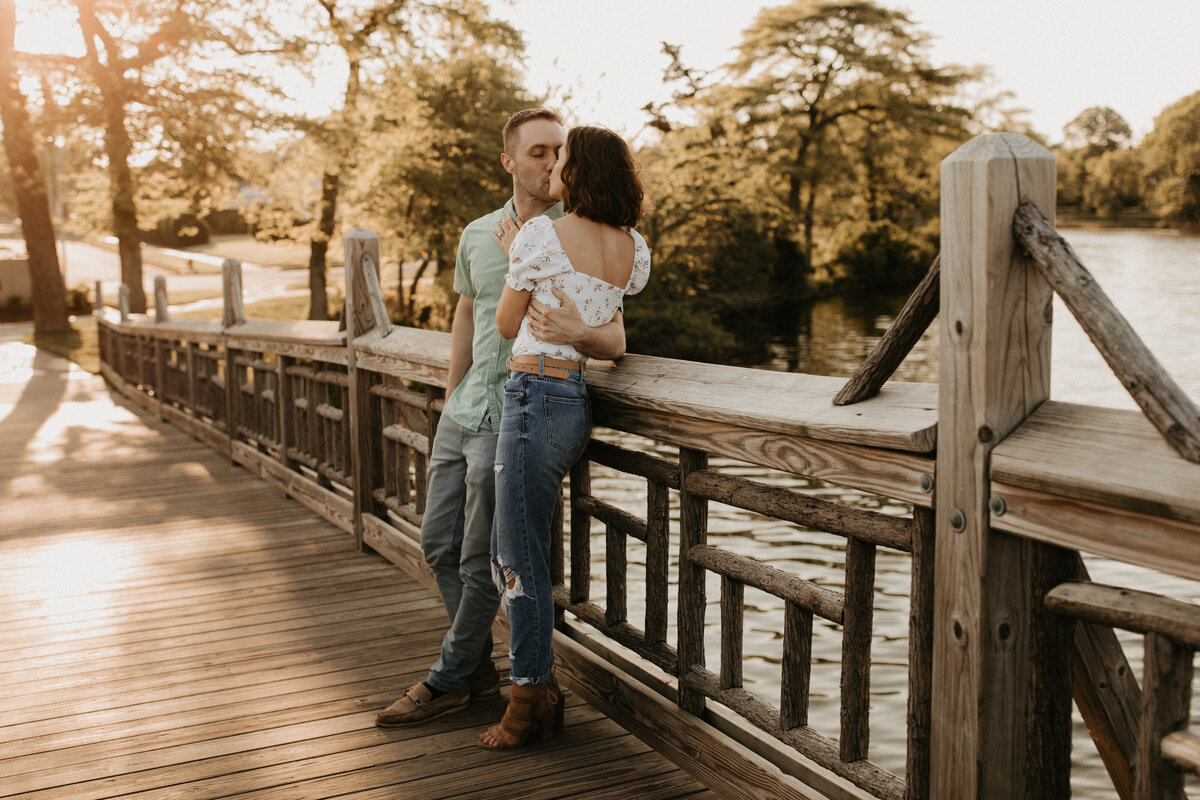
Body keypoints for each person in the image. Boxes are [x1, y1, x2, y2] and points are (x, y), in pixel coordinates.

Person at [375, 109, 627, 727]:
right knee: (437, 545)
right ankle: (477, 673)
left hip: (518, 414)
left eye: (558, 152)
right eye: (537, 152)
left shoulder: (580, 233)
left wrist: (576, 329)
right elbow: (468, 314)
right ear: (510, 161)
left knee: (483, 557)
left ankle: (449, 679)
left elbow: (609, 333)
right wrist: (451, 388)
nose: (549, 163)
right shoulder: (477, 233)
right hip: (465, 410)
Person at [479, 125, 650, 750]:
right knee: (530, 547)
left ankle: (528, 695)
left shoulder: (540, 234)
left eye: (564, 159)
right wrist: (577, 321)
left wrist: (515, 257)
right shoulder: (630, 246)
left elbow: (503, 324)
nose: (554, 168)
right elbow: (614, 340)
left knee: (516, 556)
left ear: (579, 172)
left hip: (530, 397)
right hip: (573, 400)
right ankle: (536, 683)